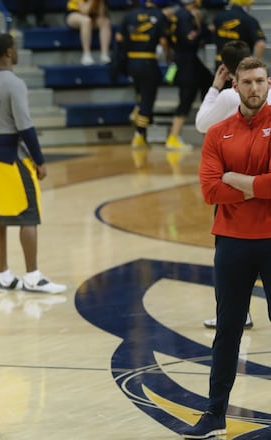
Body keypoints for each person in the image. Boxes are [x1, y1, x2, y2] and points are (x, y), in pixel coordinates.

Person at [181, 56, 271, 439]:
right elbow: (209, 190)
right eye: (247, 82)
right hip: (231, 243)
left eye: (260, 81)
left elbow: (225, 186)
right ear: (235, 85)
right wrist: (259, 185)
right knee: (227, 332)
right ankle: (215, 413)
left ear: (268, 84)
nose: (254, 88)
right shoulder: (218, 133)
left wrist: (239, 182)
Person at [0, 33, 66, 294]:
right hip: (11, 157)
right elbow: (26, 127)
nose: (17, 52)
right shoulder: (14, 83)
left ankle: (4, 276)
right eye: (16, 48)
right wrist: (40, 161)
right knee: (28, 215)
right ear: (9, 52)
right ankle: (32, 276)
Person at [194, 40, 259, 331]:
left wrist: (213, 86)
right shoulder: (264, 92)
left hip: (237, 193)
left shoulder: (230, 96)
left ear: (225, 69)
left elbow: (201, 123)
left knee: (234, 259)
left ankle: (237, 312)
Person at [116, 0, 169, 149]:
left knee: (140, 91)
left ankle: (137, 110)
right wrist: (168, 54)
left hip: (131, 61)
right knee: (148, 97)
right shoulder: (158, 15)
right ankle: (139, 134)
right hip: (147, 60)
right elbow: (164, 41)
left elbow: (119, 38)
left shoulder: (129, 15)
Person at [165, 0, 212, 149]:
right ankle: (173, 137)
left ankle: (208, 130)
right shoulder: (185, 16)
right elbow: (190, 40)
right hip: (187, 62)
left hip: (184, 59)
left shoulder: (176, 14)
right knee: (186, 98)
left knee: (209, 83)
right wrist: (201, 27)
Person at [211, 0, 264, 67]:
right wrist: (254, 63)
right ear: (246, 4)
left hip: (222, 62)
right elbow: (260, 44)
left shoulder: (218, 16)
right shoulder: (249, 20)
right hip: (241, 64)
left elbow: (212, 30)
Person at [65, 0, 112, 65]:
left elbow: (101, 15)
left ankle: (104, 54)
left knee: (105, 22)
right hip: (74, 14)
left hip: (92, 16)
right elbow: (84, 12)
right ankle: (86, 54)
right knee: (86, 21)